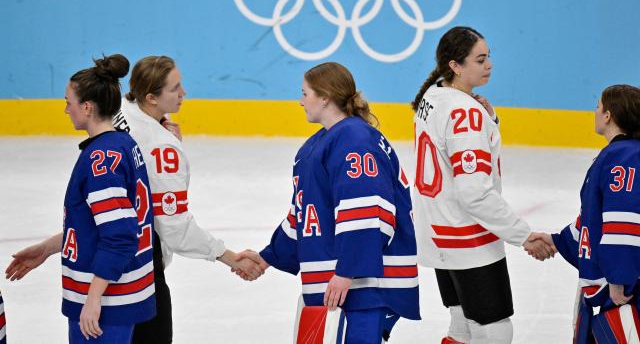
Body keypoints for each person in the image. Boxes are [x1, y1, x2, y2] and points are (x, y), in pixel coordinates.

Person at [235, 62, 421, 343]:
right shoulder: (317, 145)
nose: (300, 101)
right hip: (343, 285)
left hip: (363, 287)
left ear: (324, 97)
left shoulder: (355, 140)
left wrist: (348, 272)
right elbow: (305, 214)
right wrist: (266, 258)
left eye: (305, 93)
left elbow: (367, 211)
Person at [410, 26, 554, 344]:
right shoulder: (465, 112)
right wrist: (523, 235)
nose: (488, 65)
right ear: (455, 66)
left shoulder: (432, 97)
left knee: (461, 324)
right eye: (479, 59)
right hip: (466, 237)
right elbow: (474, 192)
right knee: (494, 329)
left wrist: (488, 120)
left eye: (488, 57)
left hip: (436, 231)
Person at [112, 55, 264, 344]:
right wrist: (229, 257)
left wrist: (160, 125)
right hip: (140, 263)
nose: (184, 93)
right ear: (151, 97)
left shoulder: (120, 106)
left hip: (103, 247)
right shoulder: (162, 149)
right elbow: (175, 228)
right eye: (175, 88)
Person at [5, 54, 156, 342]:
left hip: (107, 304)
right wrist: (48, 248)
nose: (65, 110)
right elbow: (101, 224)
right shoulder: (123, 143)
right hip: (119, 296)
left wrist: (93, 298)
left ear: (86, 107)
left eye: (68, 102)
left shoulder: (100, 162)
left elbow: (120, 236)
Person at [533, 85, 640, 343]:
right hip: (607, 287)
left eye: (598, 106)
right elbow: (594, 218)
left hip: (620, 293)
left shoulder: (624, 157)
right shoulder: (618, 155)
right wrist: (557, 241)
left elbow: (623, 220)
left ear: (608, 115)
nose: (595, 111)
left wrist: (619, 279)